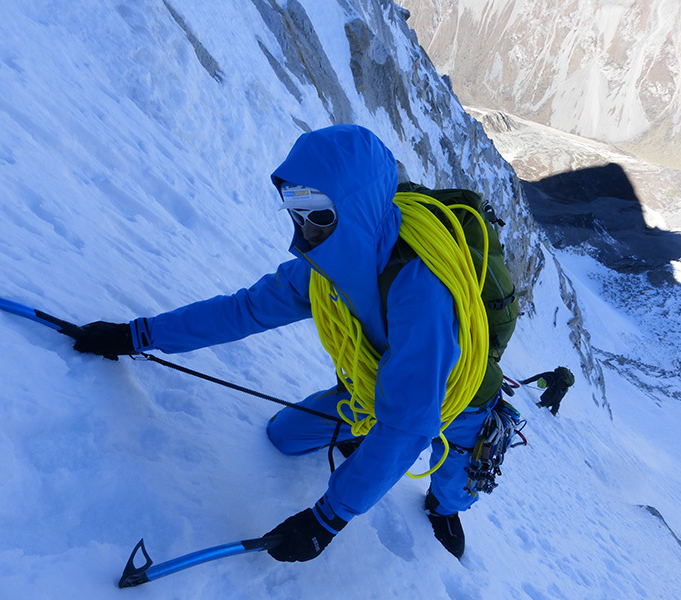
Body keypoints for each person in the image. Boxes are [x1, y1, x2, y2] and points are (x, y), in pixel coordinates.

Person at [72, 124, 500, 561]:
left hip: (461, 398)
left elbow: (410, 423)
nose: (305, 226)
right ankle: (370, 439)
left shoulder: (419, 290)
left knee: (448, 487)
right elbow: (245, 310)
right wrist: (136, 334)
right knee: (284, 436)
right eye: (295, 205)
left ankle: (447, 506)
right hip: (382, 386)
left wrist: (327, 519)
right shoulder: (328, 267)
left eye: (319, 211)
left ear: (358, 210)